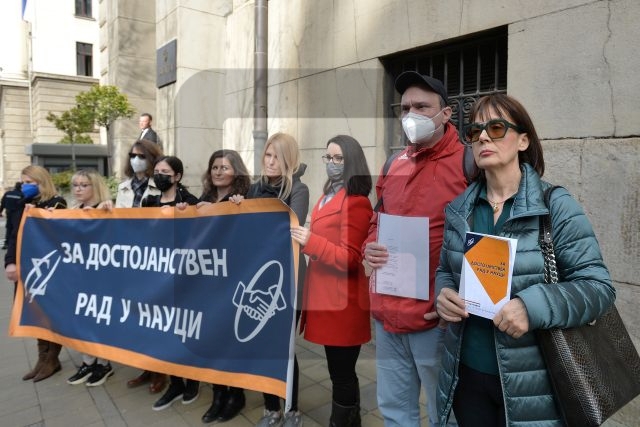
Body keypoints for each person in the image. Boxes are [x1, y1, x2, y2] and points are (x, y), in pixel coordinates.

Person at [434, 93, 615, 427]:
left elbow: (598, 288)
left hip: (534, 385)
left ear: (523, 140)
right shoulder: (460, 209)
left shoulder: (555, 206)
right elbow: (446, 269)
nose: (483, 137)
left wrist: (532, 306)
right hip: (466, 375)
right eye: (475, 131)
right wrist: (443, 293)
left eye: (496, 128)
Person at [362, 71, 466, 427]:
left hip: (435, 320)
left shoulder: (468, 164)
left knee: (444, 414)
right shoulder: (393, 164)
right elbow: (377, 220)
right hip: (387, 315)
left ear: (446, 114)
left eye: (422, 106)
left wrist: (456, 298)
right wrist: (369, 246)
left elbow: (484, 239)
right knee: (394, 411)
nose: (411, 114)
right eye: (405, 108)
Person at [291, 135, 372, 427]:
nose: (332, 163)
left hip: (343, 304)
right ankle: (351, 418)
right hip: (325, 297)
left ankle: (342, 421)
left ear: (352, 163)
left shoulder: (357, 202)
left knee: (341, 374)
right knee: (339, 371)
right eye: (328, 157)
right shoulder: (328, 196)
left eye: (339, 158)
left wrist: (311, 242)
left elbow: (351, 258)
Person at [231, 132, 309, 427]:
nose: (271, 161)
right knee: (261, 342)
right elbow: (245, 230)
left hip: (288, 277)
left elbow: (289, 226)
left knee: (283, 347)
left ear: (289, 160)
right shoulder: (253, 189)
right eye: (267, 154)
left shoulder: (298, 189)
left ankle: (292, 409)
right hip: (258, 276)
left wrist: (255, 215)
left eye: (277, 156)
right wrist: (239, 208)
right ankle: (271, 408)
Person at [142, 156, 201, 411]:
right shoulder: (149, 202)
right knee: (165, 331)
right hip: (158, 278)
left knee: (186, 331)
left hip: (185, 279)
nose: (159, 176)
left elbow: (202, 237)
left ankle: (193, 381)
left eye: (165, 172)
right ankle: (175, 383)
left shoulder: (190, 202)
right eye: (156, 171)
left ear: (177, 176)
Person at [197, 149, 251, 424]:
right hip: (207, 283)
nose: (218, 171)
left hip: (233, 282)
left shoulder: (244, 200)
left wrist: (241, 208)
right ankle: (218, 393)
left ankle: (235, 394)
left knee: (230, 341)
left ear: (236, 171)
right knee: (211, 340)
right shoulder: (203, 200)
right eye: (215, 167)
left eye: (224, 167)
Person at [4, 165, 67, 382]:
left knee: (50, 314)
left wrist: (43, 214)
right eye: (23, 183)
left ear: (42, 182)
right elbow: (12, 235)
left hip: (48, 268)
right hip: (26, 266)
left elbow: (61, 235)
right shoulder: (20, 203)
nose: (25, 187)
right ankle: (42, 357)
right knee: (34, 312)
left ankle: (52, 359)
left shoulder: (57, 203)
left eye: (30, 183)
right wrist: (10, 262)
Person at [116, 139, 167, 394]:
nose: (136, 159)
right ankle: (146, 366)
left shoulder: (161, 185)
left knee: (155, 316)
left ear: (151, 158)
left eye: (141, 156)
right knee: (138, 317)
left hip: (154, 259)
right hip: (131, 259)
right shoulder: (123, 187)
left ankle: (160, 371)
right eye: (132, 155)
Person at [66, 169, 115, 387]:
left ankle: (103, 364)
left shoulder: (107, 208)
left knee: (99, 320)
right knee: (81, 320)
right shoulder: (72, 211)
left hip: (102, 278)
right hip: (78, 277)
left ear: (95, 187)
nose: (78, 189)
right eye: (75, 185)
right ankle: (87, 362)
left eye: (84, 185)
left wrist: (106, 211)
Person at [1, 182, 22, 249]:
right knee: (15, 228)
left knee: (9, 228)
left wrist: (0, 211)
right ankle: (14, 244)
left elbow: (3, 203)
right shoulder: (21, 195)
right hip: (17, 214)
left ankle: (6, 243)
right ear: (21, 187)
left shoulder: (7, 193)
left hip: (8, 212)